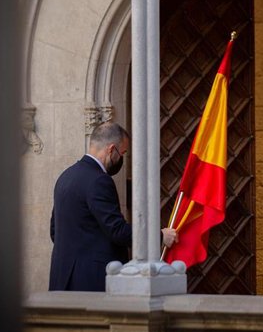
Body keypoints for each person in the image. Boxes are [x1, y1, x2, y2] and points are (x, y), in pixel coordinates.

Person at [49, 121, 177, 291]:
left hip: (62, 280)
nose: (121, 158)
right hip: (91, 282)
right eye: (122, 152)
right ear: (111, 150)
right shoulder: (99, 180)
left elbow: (54, 231)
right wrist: (159, 236)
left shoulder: (65, 176)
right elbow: (117, 230)